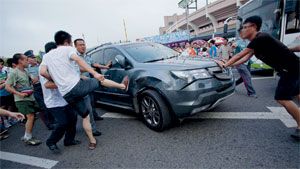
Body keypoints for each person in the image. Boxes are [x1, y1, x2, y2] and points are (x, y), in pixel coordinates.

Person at [215, 16, 300, 141]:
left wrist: (226, 64)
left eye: (245, 27)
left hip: (291, 68)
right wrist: (227, 64)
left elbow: (240, 54)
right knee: (296, 92)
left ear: (254, 27)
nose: (242, 30)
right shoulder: (258, 41)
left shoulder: (260, 38)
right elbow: (244, 59)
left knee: (282, 98)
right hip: (292, 67)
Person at [40, 31, 129, 149]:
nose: (71, 44)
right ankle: (123, 86)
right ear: (67, 41)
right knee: (101, 80)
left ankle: (92, 141)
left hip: (66, 94)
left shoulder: (47, 56)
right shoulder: (67, 49)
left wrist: (57, 81)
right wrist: (94, 74)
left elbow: (42, 72)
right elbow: (78, 60)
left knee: (85, 115)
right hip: (77, 87)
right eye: (71, 42)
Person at [41, 42, 79, 153]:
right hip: (53, 102)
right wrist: (65, 84)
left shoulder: (58, 64)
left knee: (73, 119)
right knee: (62, 123)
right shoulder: (45, 66)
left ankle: (69, 140)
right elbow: (47, 85)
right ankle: (51, 142)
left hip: (65, 99)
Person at [5, 54, 42, 145]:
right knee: (31, 117)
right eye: (26, 60)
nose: (28, 61)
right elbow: (7, 87)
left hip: (30, 98)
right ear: (20, 61)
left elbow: (32, 80)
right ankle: (28, 137)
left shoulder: (25, 71)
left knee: (32, 117)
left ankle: (27, 135)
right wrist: (19, 94)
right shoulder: (14, 72)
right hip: (21, 100)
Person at [74, 39, 103, 137]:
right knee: (88, 108)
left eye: (84, 44)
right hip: (81, 84)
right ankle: (93, 130)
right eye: (80, 45)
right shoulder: (74, 57)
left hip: (89, 82)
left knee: (92, 102)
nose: (83, 46)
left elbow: (93, 64)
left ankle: (95, 116)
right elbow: (76, 70)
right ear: (76, 46)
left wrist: (105, 67)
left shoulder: (86, 56)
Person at [24, 50, 55, 130]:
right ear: (27, 59)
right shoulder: (27, 69)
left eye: (34, 57)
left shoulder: (41, 65)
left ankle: (54, 121)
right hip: (36, 88)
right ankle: (49, 124)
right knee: (43, 106)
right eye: (32, 58)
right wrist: (39, 76)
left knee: (50, 103)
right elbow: (33, 80)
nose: (34, 59)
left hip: (45, 86)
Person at [233, 28, 257, 97]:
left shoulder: (248, 41)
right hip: (239, 63)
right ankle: (251, 93)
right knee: (247, 76)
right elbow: (234, 45)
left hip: (247, 62)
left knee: (243, 77)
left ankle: (233, 84)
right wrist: (233, 46)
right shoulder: (238, 41)